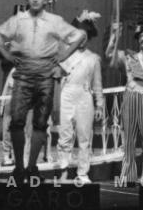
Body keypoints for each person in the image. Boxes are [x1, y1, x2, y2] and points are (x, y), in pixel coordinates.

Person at [0, 0, 86, 182]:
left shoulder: (55, 21)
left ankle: (32, 166)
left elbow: (80, 35)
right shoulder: (18, 20)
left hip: (45, 75)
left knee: (40, 123)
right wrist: (6, 54)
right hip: (23, 74)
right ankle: (19, 167)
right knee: (17, 121)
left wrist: (63, 56)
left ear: (45, 0)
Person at [105, 22, 143, 184]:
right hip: (130, 96)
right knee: (129, 140)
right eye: (140, 37)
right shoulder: (129, 56)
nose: (142, 39)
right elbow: (109, 54)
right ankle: (129, 176)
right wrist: (114, 35)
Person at [56, 11, 104, 184]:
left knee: (84, 136)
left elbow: (97, 84)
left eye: (84, 35)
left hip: (84, 96)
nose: (81, 38)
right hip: (67, 94)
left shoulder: (93, 58)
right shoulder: (65, 57)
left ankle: (83, 173)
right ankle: (63, 170)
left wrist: (99, 105)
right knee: (65, 134)